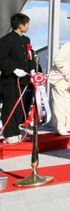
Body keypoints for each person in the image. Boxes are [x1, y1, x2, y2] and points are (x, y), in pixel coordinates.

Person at [0, 13, 36, 144]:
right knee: (10, 106)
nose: (28, 26)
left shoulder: (26, 40)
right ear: (20, 25)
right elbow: (1, 58)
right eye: (27, 23)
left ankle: (16, 132)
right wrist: (14, 69)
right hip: (10, 80)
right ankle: (9, 134)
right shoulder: (6, 40)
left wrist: (32, 69)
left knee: (20, 108)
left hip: (24, 80)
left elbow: (30, 56)